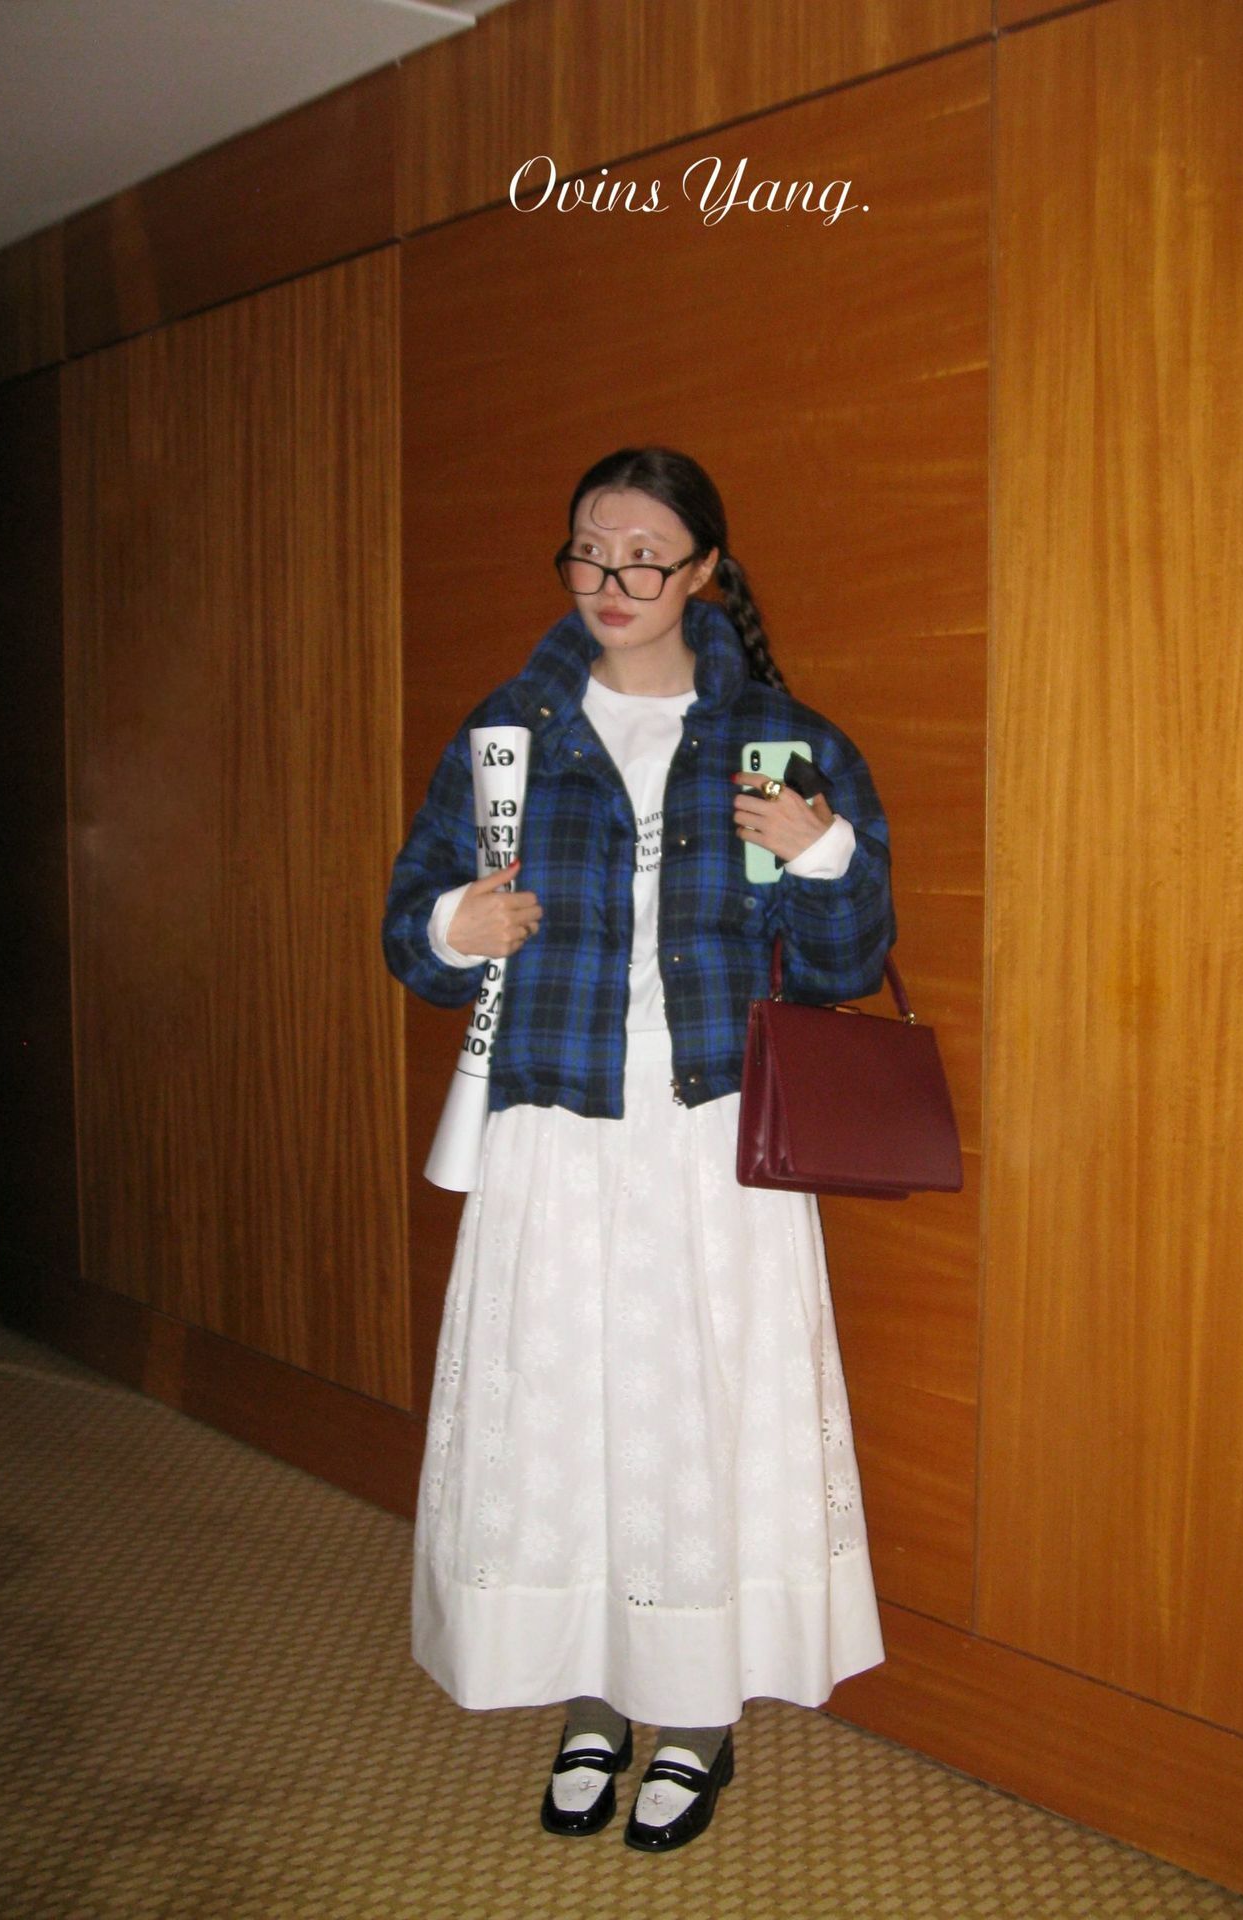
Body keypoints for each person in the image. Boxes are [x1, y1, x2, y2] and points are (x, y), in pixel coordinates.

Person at [382, 446, 894, 1853]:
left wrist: (821, 855)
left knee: (697, 1416)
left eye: (645, 558)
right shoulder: (509, 732)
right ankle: (592, 1698)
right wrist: (450, 929)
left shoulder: (780, 740)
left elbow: (848, 963)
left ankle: (695, 1717)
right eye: (589, 555)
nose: (612, 583)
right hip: (555, 1122)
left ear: (705, 571)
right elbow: (412, 929)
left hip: (714, 1131)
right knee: (566, 1410)